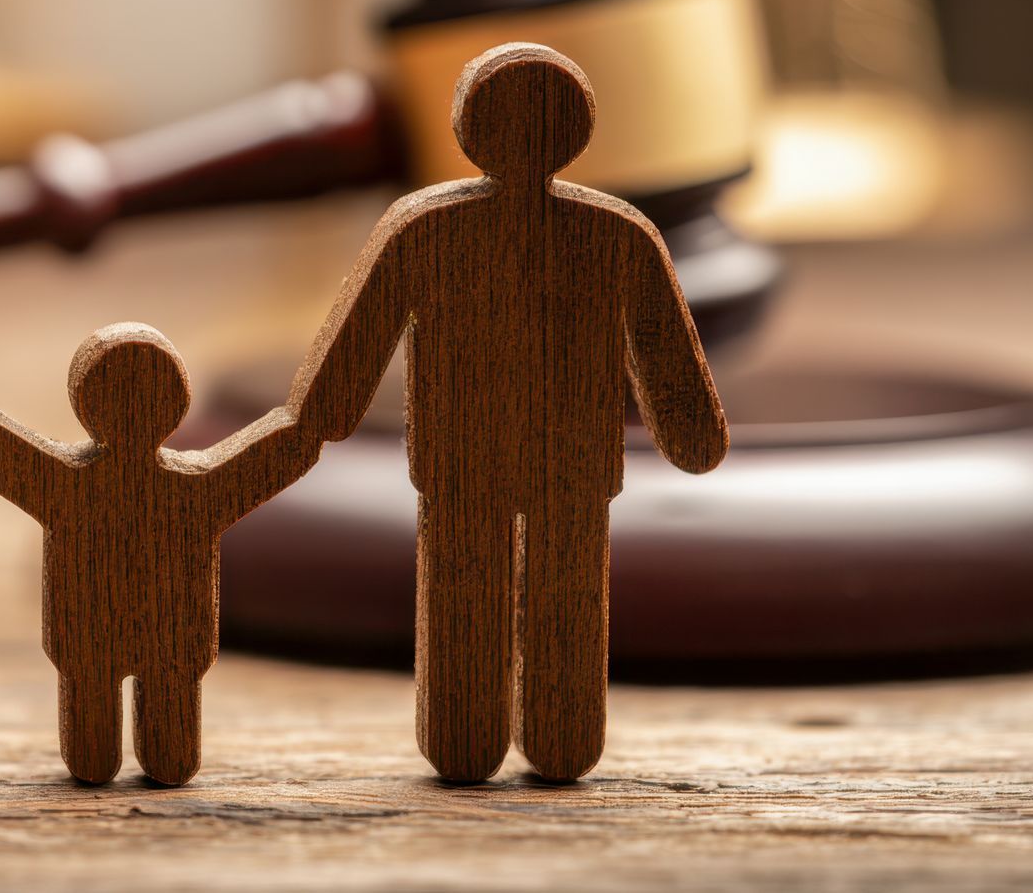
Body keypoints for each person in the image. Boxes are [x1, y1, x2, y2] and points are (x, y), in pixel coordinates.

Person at [289, 43, 728, 783]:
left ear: (470, 129)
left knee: (468, 595)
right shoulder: (615, 233)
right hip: (562, 465)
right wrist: (691, 436)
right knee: (564, 599)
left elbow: (359, 342)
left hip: (470, 461)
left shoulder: (429, 229)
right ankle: (558, 738)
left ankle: (471, 738)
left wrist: (321, 417)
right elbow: (669, 359)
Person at [0, 322, 320, 785]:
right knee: (157, 756)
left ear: (86, 403)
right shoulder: (196, 489)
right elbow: (298, 439)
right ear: (176, 403)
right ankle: (147, 755)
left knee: (104, 757)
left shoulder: (64, 484)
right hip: (161, 644)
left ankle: (130, 756)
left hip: (102, 643)